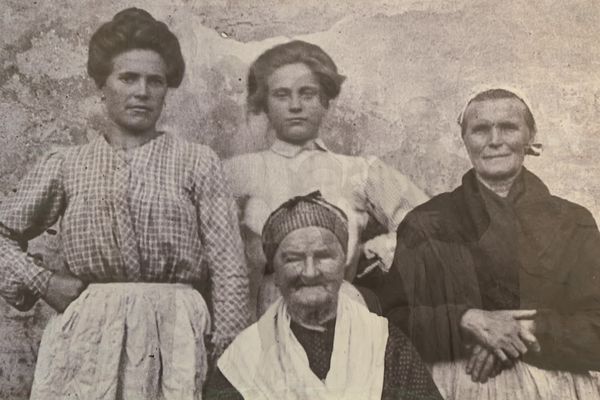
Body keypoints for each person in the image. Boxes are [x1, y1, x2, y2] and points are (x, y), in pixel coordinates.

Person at [0, 8, 249, 399]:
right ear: (102, 85)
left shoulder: (196, 161)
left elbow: (229, 265)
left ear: (167, 90)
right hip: (90, 336)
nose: (142, 92)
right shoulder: (68, 164)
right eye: (128, 78)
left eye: (156, 81)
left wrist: (228, 347)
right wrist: (43, 281)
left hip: (176, 334)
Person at [377, 88, 600, 399]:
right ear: (465, 139)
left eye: (508, 127)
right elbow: (390, 324)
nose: (495, 140)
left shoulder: (573, 222)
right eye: (481, 129)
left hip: (556, 387)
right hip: (453, 387)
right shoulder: (426, 222)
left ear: (530, 135)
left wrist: (524, 331)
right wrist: (468, 321)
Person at [224, 40, 428, 319]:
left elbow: (430, 225)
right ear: (265, 103)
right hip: (262, 314)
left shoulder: (358, 170)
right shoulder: (238, 172)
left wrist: (371, 251)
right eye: (282, 95)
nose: (295, 105)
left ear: (325, 101)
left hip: (342, 311)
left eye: (307, 94)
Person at [204, 192, 442, 400]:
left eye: (323, 256)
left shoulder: (385, 344)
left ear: (342, 266)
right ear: (275, 274)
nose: (309, 272)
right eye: (293, 258)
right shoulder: (244, 359)